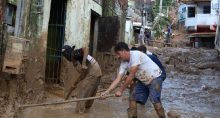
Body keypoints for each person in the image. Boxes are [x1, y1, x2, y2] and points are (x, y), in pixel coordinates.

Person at [101, 42, 166, 118]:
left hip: (155, 77)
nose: (117, 57)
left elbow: (131, 75)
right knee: (132, 97)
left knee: (155, 101)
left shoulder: (135, 55)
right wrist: (107, 92)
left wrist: (121, 90)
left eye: (118, 54)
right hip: (143, 80)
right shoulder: (123, 63)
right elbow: (118, 79)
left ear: (123, 51)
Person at [62, 45, 102, 114]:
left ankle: (79, 112)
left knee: (82, 94)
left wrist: (83, 63)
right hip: (97, 72)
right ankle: (86, 111)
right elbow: (82, 76)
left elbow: (86, 48)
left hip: (93, 71)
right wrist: (74, 84)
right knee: (89, 93)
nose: (74, 64)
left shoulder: (76, 53)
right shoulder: (77, 58)